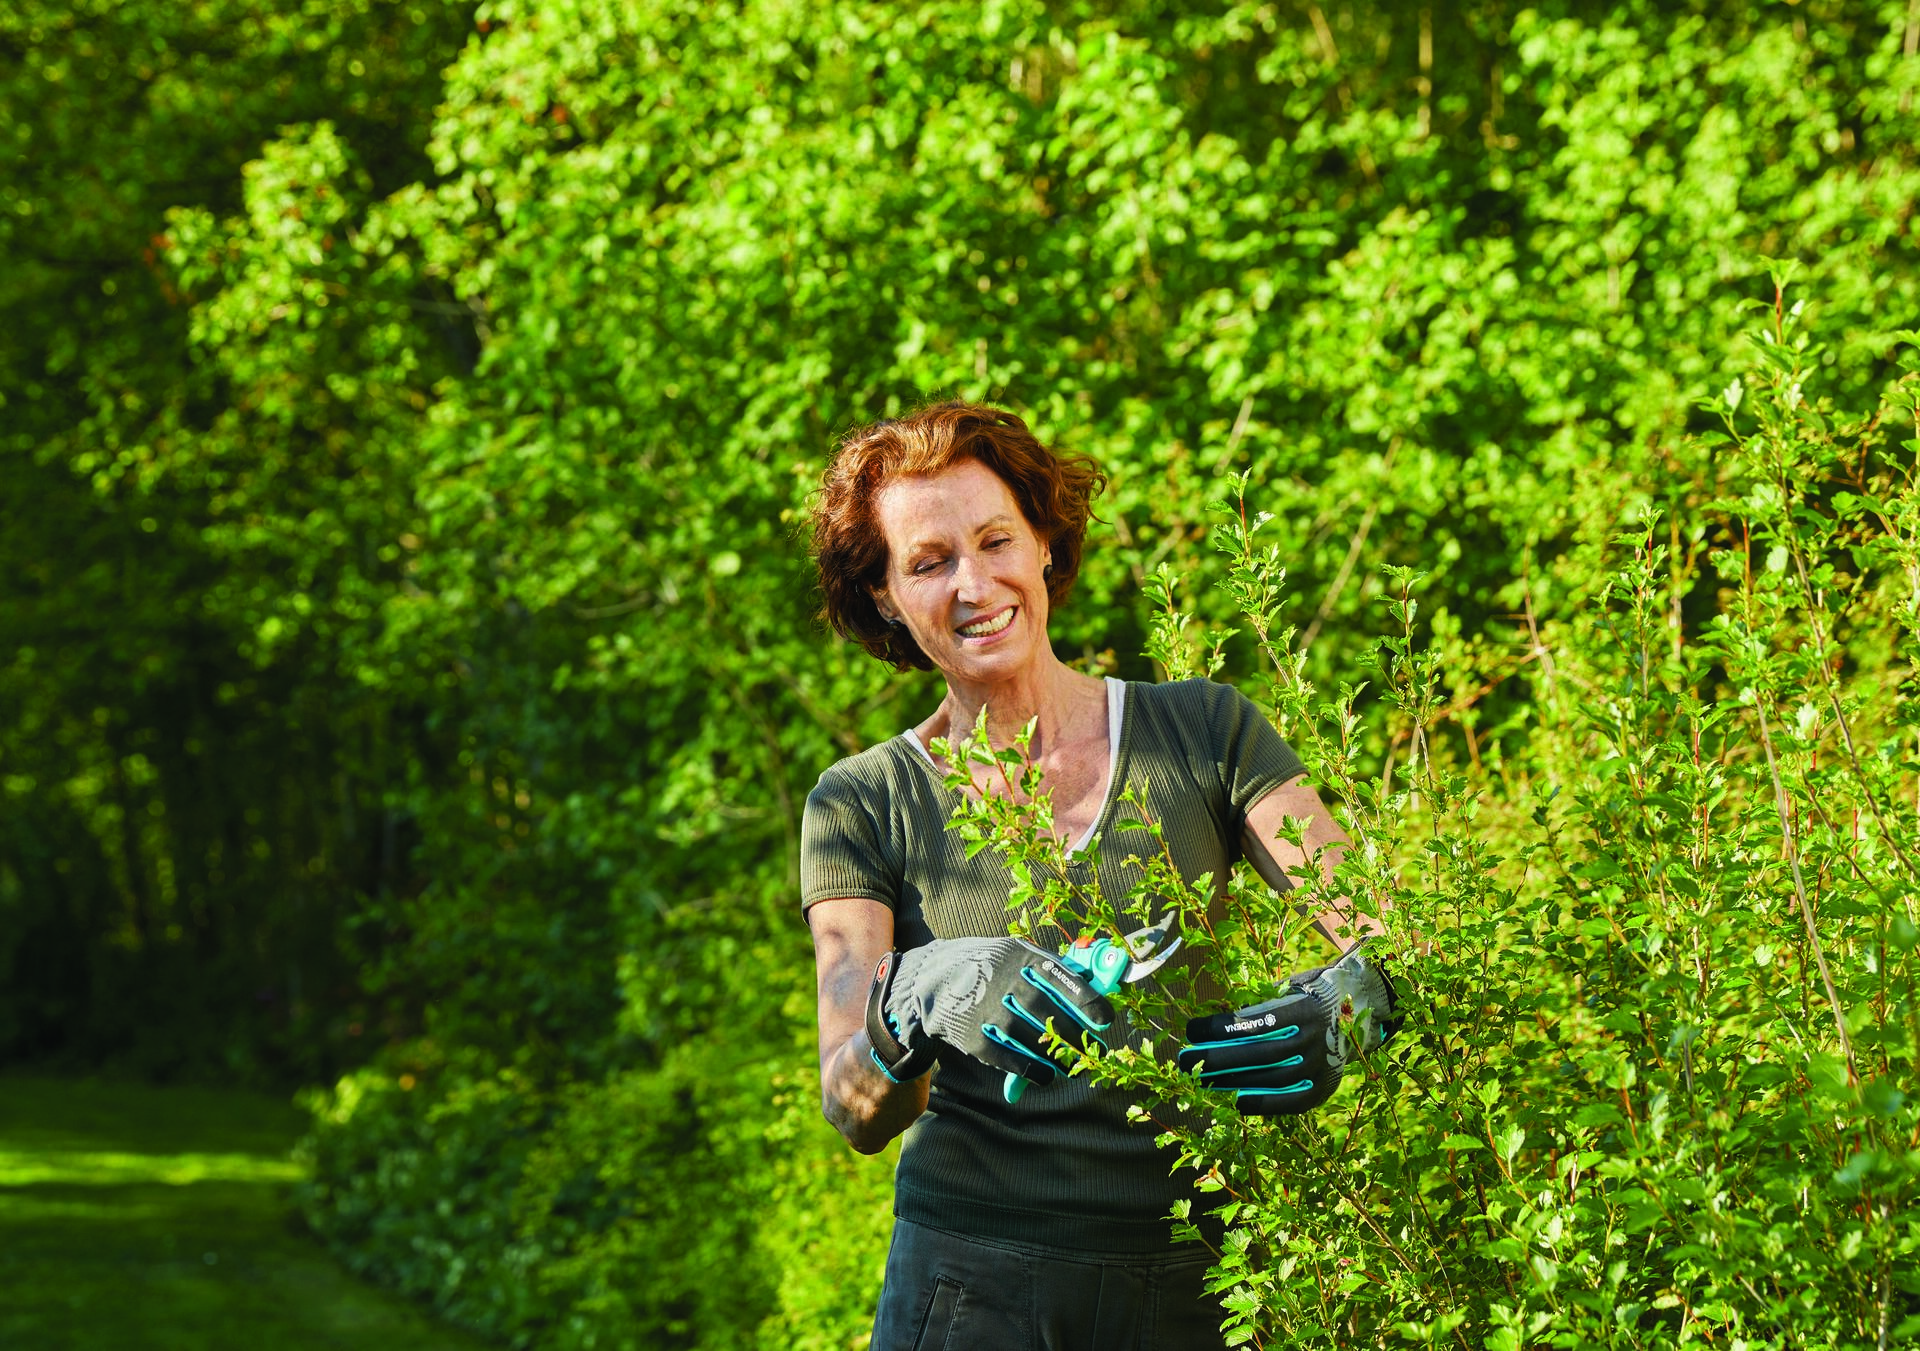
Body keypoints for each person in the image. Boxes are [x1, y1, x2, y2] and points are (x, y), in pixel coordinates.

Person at [801, 402, 1398, 1351]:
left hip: (1200, 1276)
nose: (974, 582)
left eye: (997, 539)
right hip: (968, 1281)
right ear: (881, 595)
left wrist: (1349, 1011)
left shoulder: (1205, 731)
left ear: (1043, 543)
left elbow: (1386, 937)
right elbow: (853, 1105)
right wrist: (920, 994)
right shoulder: (863, 801)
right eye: (928, 562)